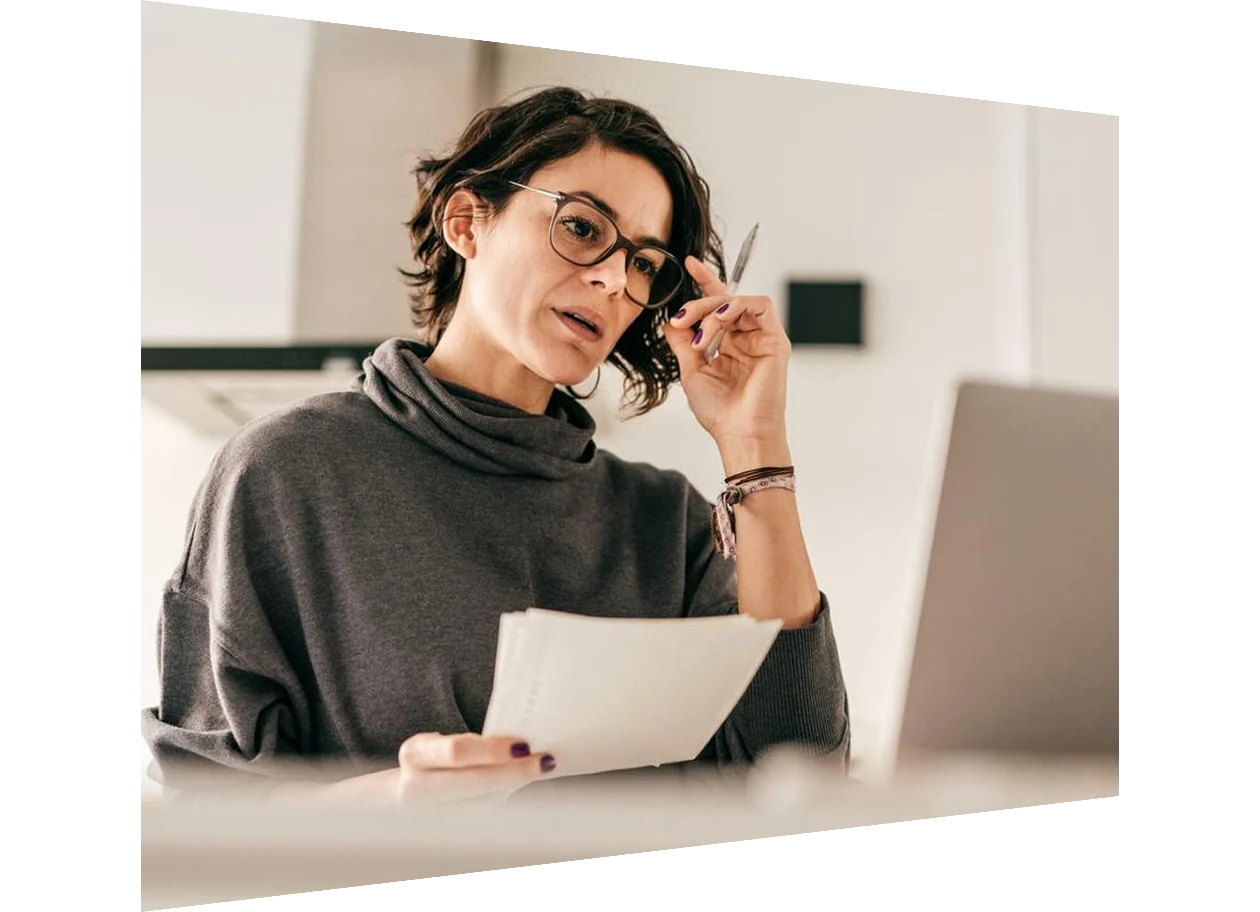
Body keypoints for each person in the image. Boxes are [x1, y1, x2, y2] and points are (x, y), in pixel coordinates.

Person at [138, 85, 850, 808]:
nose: (611, 278)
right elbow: (206, 812)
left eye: (643, 265)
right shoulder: (289, 472)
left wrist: (753, 443)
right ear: (466, 221)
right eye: (581, 228)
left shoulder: (667, 522)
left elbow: (802, 773)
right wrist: (397, 798)